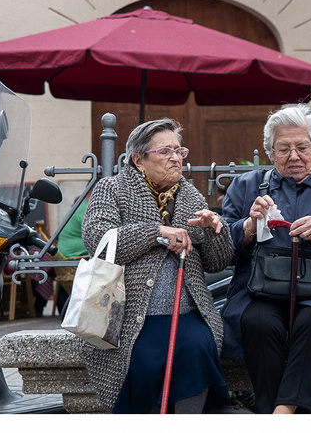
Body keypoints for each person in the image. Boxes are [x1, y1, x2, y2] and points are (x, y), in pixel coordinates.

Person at [217, 105, 311, 414]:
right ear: (271, 152)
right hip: (259, 288)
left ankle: (280, 412)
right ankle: (284, 413)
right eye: (283, 148)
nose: (294, 156)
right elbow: (223, 249)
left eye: (302, 147)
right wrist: (248, 226)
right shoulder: (246, 186)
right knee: (257, 321)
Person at [82, 118, 234, 413]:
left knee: (196, 349)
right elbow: (98, 241)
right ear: (138, 160)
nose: (175, 157)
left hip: (187, 311)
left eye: (179, 151)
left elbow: (218, 262)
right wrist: (157, 232)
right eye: (165, 152)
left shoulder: (190, 195)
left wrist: (216, 229)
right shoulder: (112, 189)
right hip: (130, 315)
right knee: (144, 357)